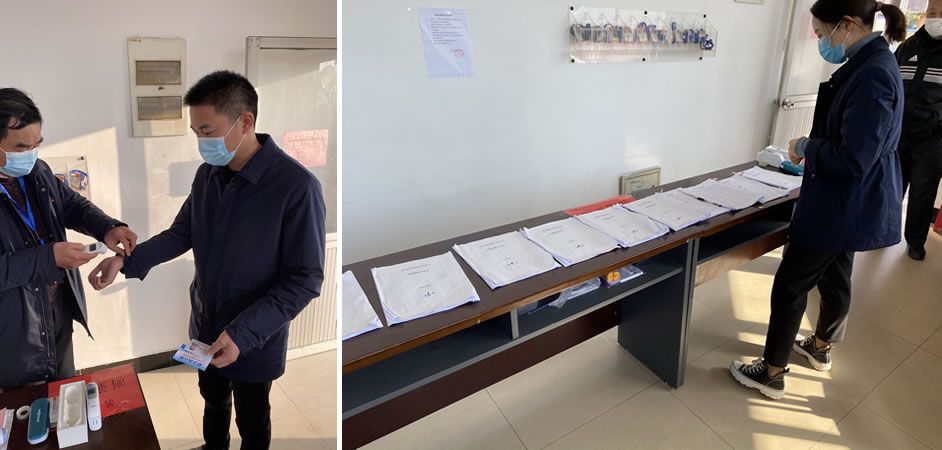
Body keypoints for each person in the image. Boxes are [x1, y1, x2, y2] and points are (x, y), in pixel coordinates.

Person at [88, 71, 326, 450]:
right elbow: (181, 233)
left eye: (207, 130)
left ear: (244, 121)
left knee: (252, 418)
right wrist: (125, 262)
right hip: (206, 324)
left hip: (253, 336)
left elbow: (305, 279)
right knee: (213, 402)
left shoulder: (296, 187)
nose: (201, 141)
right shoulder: (208, 175)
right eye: (195, 132)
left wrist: (242, 334)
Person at [730, 0, 907, 400]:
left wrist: (805, 146)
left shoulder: (873, 74)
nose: (820, 41)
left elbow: (854, 156)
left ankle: (772, 371)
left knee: (791, 283)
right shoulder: (872, 62)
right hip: (849, 200)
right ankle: (821, 346)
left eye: (820, 33)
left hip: (841, 202)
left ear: (846, 25)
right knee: (836, 275)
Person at [0, 88, 138, 391]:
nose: (30, 155)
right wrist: (47, 258)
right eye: (21, 147)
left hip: (56, 310)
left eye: (36, 145)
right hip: (13, 332)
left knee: (64, 395)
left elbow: (71, 205)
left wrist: (107, 228)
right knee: (26, 411)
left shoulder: (37, 171)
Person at [896, 0, 942, 261]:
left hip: (933, 139)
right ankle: (884, 232)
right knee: (891, 188)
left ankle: (915, 242)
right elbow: (890, 85)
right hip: (900, 134)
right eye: (932, 12)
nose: (936, 18)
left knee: (922, 195)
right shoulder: (907, 47)